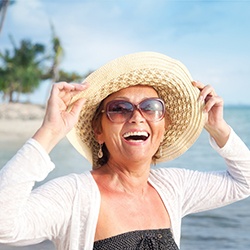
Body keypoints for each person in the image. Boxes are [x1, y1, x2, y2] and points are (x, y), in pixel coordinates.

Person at [0, 51, 250, 250]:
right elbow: (4, 226)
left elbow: (245, 181)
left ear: (164, 126)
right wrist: (51, 132)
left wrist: (219, 129)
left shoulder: (173, 187)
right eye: (119, 108)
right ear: (98, 130)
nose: (137, 117)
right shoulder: (74, 196)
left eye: (150, 107)